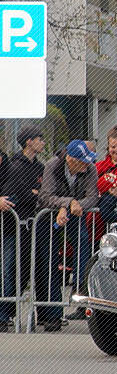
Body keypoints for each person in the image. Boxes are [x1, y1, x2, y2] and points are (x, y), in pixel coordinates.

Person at [40, 141, 98, 329]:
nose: (86, 164)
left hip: (75, 213)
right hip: (48, 215)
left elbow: (93, 196)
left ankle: (81, 290)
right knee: (48, 260)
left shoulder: (90, 169)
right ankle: (53, 314)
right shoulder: (53, 165)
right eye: (82, 161)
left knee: (82, 245)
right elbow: (45, 196)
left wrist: (76, 205)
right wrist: (67, 203)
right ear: (70, 159)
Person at [1, 126, 45, 304]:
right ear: (29, 141)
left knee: (27, 269)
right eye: (39, 139)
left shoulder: (40, 167)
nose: (43, 143)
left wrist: (35, 193)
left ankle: (14, 309)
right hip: (13, 227)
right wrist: (33, 194)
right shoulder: (15, 166)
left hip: (31, 226)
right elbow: (15, 194)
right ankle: (5, 311)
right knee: (9, 269)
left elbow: (43, 193)